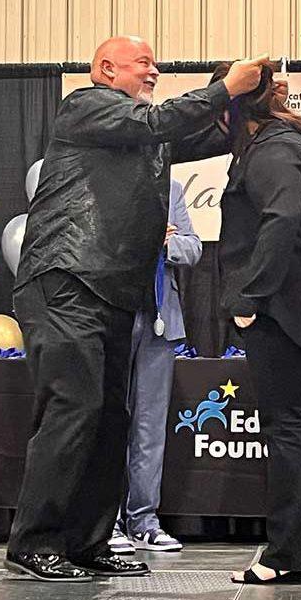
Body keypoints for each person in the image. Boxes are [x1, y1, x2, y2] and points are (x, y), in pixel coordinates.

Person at [5, 35, 265, 583]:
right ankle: (35, 542)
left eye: (155, 64)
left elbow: (205, 132)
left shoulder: (143, 136)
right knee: (72, 410)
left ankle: (88, 541)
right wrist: (225, 87)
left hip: (114, 291)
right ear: (105, 69)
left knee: (108, 420)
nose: (154, 71)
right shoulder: (86, 105)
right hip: (67, 281)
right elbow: (162, 120)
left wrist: (250, 98)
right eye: (143, 63)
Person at [213, 62, 301, 585]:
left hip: (286, 308)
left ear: (231, 112)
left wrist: (250, 296)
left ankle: (289, 553)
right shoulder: (293, 145)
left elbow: (281, 220)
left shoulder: (272, 150)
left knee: (289, 428)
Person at [108, 179, 201, 555]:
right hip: (113, 316)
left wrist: (165, 243)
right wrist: (142, 235)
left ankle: (143, 521)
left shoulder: (171, 189)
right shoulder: (105, 183)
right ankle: (107, 521)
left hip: (160, 319)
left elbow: (192, 247)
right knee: (110, 421)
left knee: (150, 426)